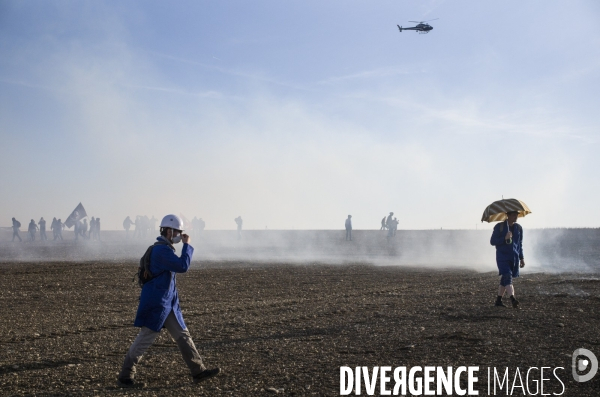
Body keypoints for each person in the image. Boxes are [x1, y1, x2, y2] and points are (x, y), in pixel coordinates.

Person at [117, 214, 220, 388]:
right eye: (178, 232)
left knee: (182, 335)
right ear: (169, 231)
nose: (180, 235)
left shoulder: (164, 249)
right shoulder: (161, 251)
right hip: (157, 303)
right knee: (145, 338)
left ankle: (198, 371)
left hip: (167, 303)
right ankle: (125, 376)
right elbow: (182, 266)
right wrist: (187, 245)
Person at [490, 211, 525, 309]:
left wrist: (521, 258)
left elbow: (519, 245)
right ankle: (513, 299)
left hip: (514, 258)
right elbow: (492, 241)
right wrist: (504, 238)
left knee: (504, 279)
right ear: (508, 215)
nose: (516, 217)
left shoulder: (518, 228)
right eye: (514, 215)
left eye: (517, 215)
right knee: (507, 276)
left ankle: (498, 300)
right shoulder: (499, 227)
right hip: (502, 257)